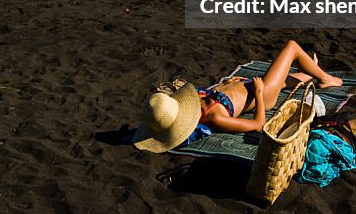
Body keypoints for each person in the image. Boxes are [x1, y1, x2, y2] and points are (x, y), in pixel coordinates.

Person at [133, 40, 344, 152]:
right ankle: (325, 78)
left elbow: (216, 93)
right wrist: (260, 95)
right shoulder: (214, 118)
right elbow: (259, 125)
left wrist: (227, 84)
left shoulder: (195, 101)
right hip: (263, 94)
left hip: (250, 86)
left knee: (284, 77)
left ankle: (311, 71)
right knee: (292, 47)